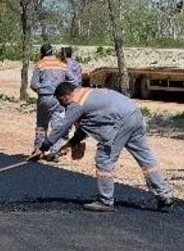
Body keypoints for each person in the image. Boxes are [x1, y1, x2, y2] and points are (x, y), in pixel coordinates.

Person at [40, 82, 174, 212]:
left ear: (65, 96)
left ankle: (105, 201)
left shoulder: (76, 103)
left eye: (60, 100)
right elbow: (84, 128)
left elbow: (61, 127)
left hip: (121, 122)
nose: (62, 105)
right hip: (134, 114)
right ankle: (164, 194)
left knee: (104, 158)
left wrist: (43, 147)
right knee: (145, 158)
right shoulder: (87, 93)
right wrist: (70, 144)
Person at [30, 43, 74, 161]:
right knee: (57, 126)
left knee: (41, 126)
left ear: (42, 53)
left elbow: (33, 84)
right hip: (59, 100)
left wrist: (42, 90)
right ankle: (54, 152)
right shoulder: (61, 64)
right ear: (52, 52)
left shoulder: (40, 64)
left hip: (44, 99)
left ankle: (38, 151)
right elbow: (72, 79)